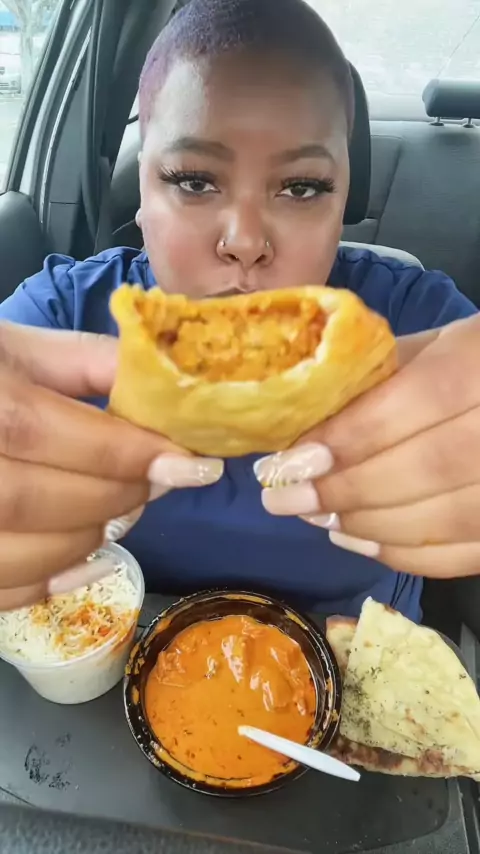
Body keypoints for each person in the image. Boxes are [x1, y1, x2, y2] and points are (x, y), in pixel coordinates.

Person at [0, 0, 477, 620]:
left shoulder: (418, 322)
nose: (246, 241)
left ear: (342, 203)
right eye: (194, 181)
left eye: (302, 187)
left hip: (360, 662)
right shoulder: (61, 318)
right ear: (140, 190)